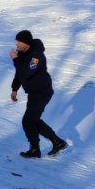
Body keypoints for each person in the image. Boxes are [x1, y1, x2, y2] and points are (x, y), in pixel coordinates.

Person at [9, 30, 67, 159]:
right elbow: (19, 73)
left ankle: (40, 148)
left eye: (19, 41)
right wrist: (14, 88)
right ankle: (56, 143)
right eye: (16, 41)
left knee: (28, 121)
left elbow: (26, 71)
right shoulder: (24, 53)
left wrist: (15, 58)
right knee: (32, 120)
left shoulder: (36, 56)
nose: (16, 44)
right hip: (34, 92)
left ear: (26, 43)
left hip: (42, 91)